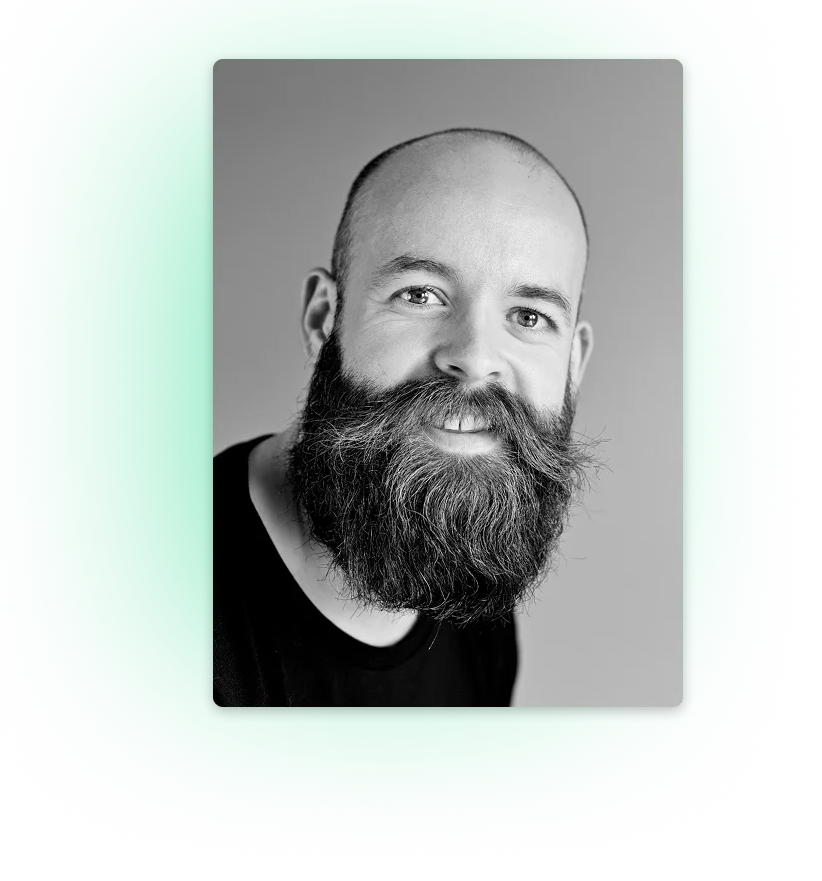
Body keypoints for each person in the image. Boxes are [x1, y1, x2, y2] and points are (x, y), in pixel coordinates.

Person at [213, 127, 595, 707]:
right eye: (419, 295)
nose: (474, 359)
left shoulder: (468, 584)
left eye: (529, 316)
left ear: (574, 363)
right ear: (323, 320)